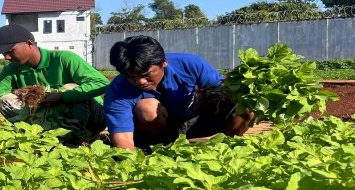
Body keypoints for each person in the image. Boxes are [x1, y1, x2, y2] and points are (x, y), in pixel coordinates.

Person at [105, 35, 255, 151]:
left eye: (146, 74)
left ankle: (227, 149)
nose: (140, 82)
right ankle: (161, 150)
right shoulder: (118, 89)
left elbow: (226, 89)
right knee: (148, 109)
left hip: (196, 120)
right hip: (157, 133)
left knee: (244, 104)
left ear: (163, 62)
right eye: (132, 76)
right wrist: (132, 167)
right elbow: (122, 138)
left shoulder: (190, 65)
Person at [0, 24, 109, 144]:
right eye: (3, 53)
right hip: (54, 121)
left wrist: (62, 96)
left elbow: (101, 83)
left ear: (29, 43)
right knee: (5, 100)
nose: (6, 57)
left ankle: (79, 138)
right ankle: (42, 138)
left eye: (10, 51)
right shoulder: (12, 70)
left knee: (70, 88)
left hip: (94, 119)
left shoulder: (63, 59)